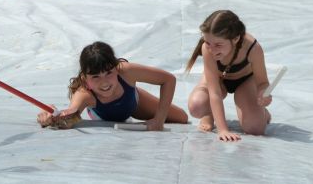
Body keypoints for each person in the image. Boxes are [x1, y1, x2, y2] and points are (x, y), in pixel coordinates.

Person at [36, 41, 188, 130]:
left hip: (134, 102)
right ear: (84, 78)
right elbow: (69, 116)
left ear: (116, 67)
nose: (104, 82)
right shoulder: (84, 94)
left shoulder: (126, 71)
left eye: (108, 73)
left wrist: (159, 121)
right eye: (95, 77)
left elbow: (168, 79)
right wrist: (50, 115)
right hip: (106, 114)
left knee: (182, 117)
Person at [186, 10, 271, 141]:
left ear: (236, 39)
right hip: (219, 79)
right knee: (197, 106)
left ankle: (262, 114)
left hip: (245, 81)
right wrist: (223, 129)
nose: (212, 49)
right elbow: (214, 92)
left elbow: (262, 83)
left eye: (218, 45)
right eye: (208, 42)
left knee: (255, 129)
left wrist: (263, 93)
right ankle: (208, 114)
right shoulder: (207, 48)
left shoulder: (253, 48)